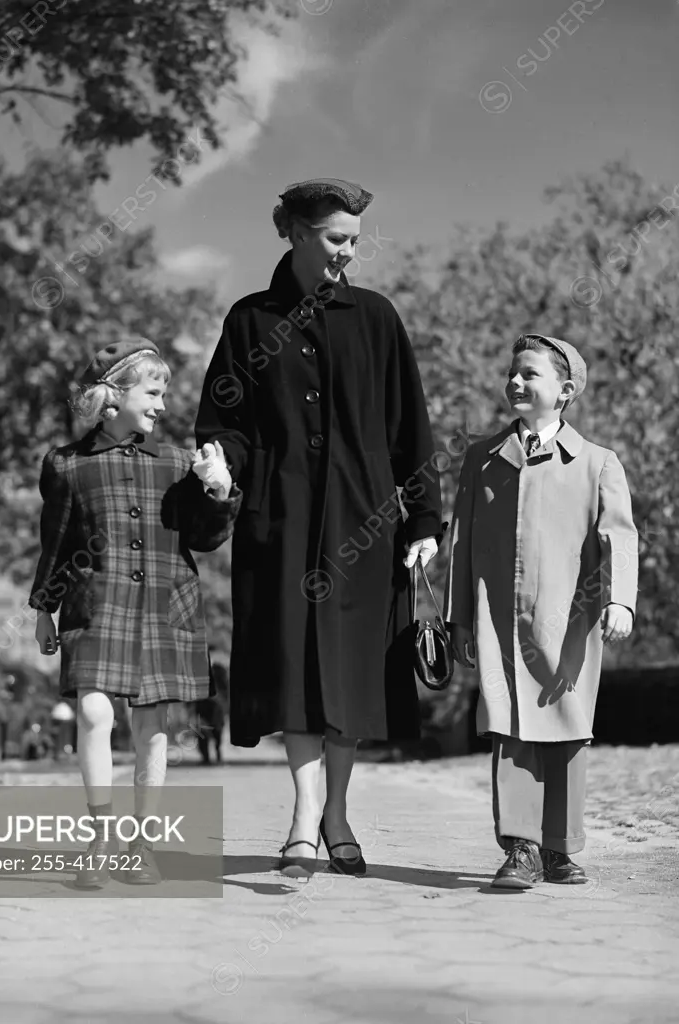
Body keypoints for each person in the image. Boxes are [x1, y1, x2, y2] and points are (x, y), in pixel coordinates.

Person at [195, 178, 444, 877]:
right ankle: (307, 817)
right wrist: (220, 464)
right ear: (297, 234)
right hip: (281, 523)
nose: (349, 255)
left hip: (366, 523)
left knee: (352, 675)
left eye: (355, 241)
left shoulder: (376, 316)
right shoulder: (247, 320)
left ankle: (337, 812)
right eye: (337, 239)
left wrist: (423, 517)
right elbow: (226, 423)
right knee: (297, 672)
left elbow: (410, 427)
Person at [29, 338, 241, 889]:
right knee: (95, 715)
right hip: (95, 605)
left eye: (164, 394)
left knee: (151, 728)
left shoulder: (176, 463)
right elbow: (54, 542)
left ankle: (141, 844)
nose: (163, 406)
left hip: (164, 606)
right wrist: (44, 607)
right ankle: (101, 836)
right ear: (114, 395)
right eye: (153, 392)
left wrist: (219, 492)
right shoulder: (67, 465)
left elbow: (204, 538)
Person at [445, 333, 638, 889]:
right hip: (498, 620)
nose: (516, 381)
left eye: (530, 373)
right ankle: (521, 848)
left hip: (569, 621)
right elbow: (462, 542)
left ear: (565, 390)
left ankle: (560, 847)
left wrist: (620, 598)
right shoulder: (481, 458)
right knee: (510, 727)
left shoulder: (597, 463)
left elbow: (619, 538)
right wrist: (460, 617)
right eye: (512, 372)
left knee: (567, 727)